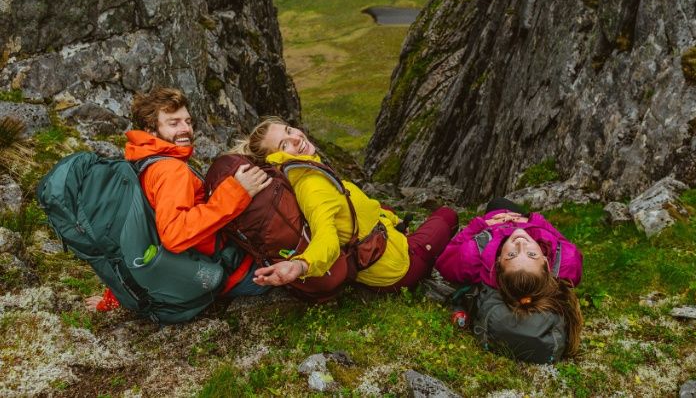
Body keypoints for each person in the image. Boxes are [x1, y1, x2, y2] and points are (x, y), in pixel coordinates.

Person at [85, 87, 272, 311]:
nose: (185, 129)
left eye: (188, 121)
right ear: (150, 130)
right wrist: (236, 192)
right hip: (233, 274)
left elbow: (137, 233)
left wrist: (115, 298)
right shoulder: (171, 170)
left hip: (188, 274)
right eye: (173, 123)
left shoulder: (140, 166)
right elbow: (174, 235)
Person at [229, 117, 459, 292]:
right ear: (274, 161)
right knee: (448, 216)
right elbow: (325, 235)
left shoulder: (302, 171)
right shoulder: (312, 186)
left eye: (290, 130)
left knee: (386, 210)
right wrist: (301, 266)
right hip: (397, 268)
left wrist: (393, 221)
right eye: (284, 144)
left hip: (384, 246)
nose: (297, 139)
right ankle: (431, 265)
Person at [435, 197, 584, 358]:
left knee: (496, 202)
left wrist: (483, 224)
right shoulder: (566, 262)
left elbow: (446, 257)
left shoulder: (473, 256)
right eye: (532, 254)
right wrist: (533, 220)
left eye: (511, 254)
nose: (521, 243)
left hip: (496, 219)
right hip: (528, 222)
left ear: (498, 263)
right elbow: (560, 239)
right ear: (546, 263)